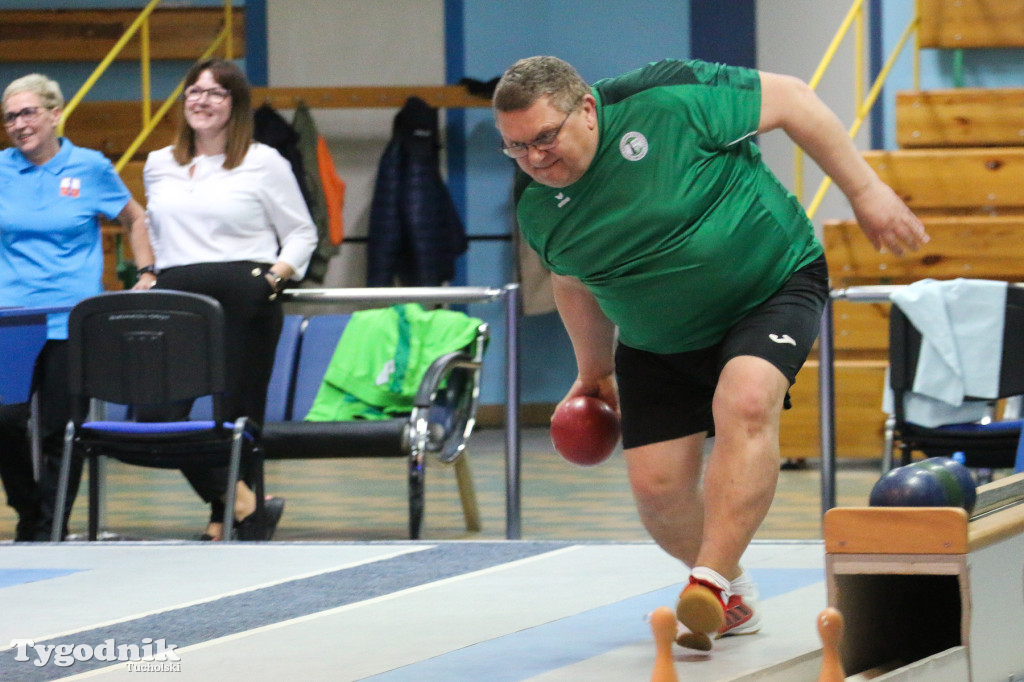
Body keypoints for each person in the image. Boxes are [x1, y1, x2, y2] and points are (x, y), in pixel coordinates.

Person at [492, 56, 929, 650]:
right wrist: (593, 372)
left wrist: (866, 190)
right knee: (657, 491)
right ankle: (734, 595)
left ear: (587, 109)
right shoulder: (536, 205)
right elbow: (573, 283)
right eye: (515, 148)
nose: (534, 158)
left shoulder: (666, 97)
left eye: (544, 137)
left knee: (746, 400)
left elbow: (796, 98)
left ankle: (709, 579)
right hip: (656, 339)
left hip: (769, 286)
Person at [143, 58, 317, 541]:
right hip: (177, 301)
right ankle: (245, 504)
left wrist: (272, 280)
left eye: (215, 93)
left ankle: (226, 521)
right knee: (155, 417)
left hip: (246, 298)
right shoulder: (159, 164)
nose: (201, 100)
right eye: (193, 92)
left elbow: (302, 232)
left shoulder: (264, 161)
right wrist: (148, 273)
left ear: (236, 105)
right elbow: (155, 232)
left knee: (240, 419)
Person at [0, 73, 157, 541]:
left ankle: (48, 529)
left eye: (28, 113)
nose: (19, 124)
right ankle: (30, 510)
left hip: (71, 321)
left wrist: (148, 273)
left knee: (61, 431)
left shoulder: (89, 168)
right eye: (10, 117)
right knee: (4, 421)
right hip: (13, 320)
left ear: (55, 113)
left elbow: (134, 217)